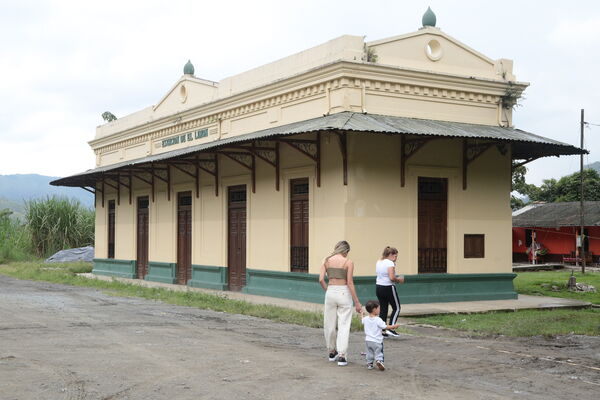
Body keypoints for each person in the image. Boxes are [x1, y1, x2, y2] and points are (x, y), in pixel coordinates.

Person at [319, 240, 362, 366]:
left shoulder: (326, 260)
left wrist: (328, 290)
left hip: (330, 292)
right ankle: (342, 355)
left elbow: (321, 279)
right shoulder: (348, 262)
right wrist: (357, 302)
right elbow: (349, 283)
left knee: (329, 323)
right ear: (346, 251)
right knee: (344, 324)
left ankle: (332, 351)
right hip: (344, 292)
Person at [361, 299, 400, 371]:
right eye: (379, 308)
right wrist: (393, 326)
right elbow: (385, 327)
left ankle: (369, 364)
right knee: (378, 352)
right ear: (374, 309)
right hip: (377, 341)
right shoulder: (378, 319)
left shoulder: (366, 319)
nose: (380, 309)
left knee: (369, 353)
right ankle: (379, 361)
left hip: (368, 340)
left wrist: (362, 314)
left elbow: (362, 320)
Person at [375, 246, 404, 337]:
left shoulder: (379, 261)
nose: (396, 259)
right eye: (395, 256)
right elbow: (391, 278)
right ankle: (391, 328)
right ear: (390, 255)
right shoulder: (390, 263)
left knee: (383, 309)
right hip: (388, 287)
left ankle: (382, 330)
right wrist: (399, 280)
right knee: (397, 308)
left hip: (379, 287)